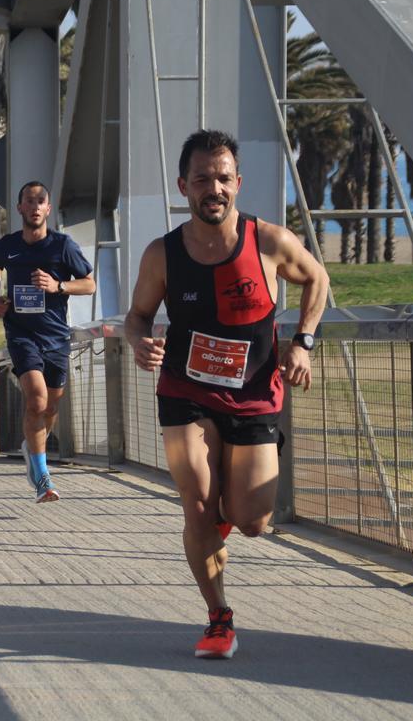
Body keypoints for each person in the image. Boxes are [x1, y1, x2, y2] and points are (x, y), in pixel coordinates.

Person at [124, 129, 328, 659]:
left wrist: (303, 342)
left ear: (237, 182)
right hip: (185, 392)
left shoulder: (270, 242)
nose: (212, 188)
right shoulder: (163, 254)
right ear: (182, 187)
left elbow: (318, 279)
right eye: (200, 180)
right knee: (195, 503)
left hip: (256, 394)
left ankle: (219, 522)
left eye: (221, 178)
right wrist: (139, 342)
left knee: (253, 520)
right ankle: (218, 618)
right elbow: (138, 315)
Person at [0, 181, 95, 502]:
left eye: (40, 201)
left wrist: (58, 286)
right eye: (28, 201)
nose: (34, 206)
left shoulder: (63, 246)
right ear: (19, 208)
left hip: (56, 337)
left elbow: (89, 284)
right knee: (36, 399)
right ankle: (43, 476)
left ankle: (32, 449)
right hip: (21, 334)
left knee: (50, 407)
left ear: (48, 208)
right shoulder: (8, 245)